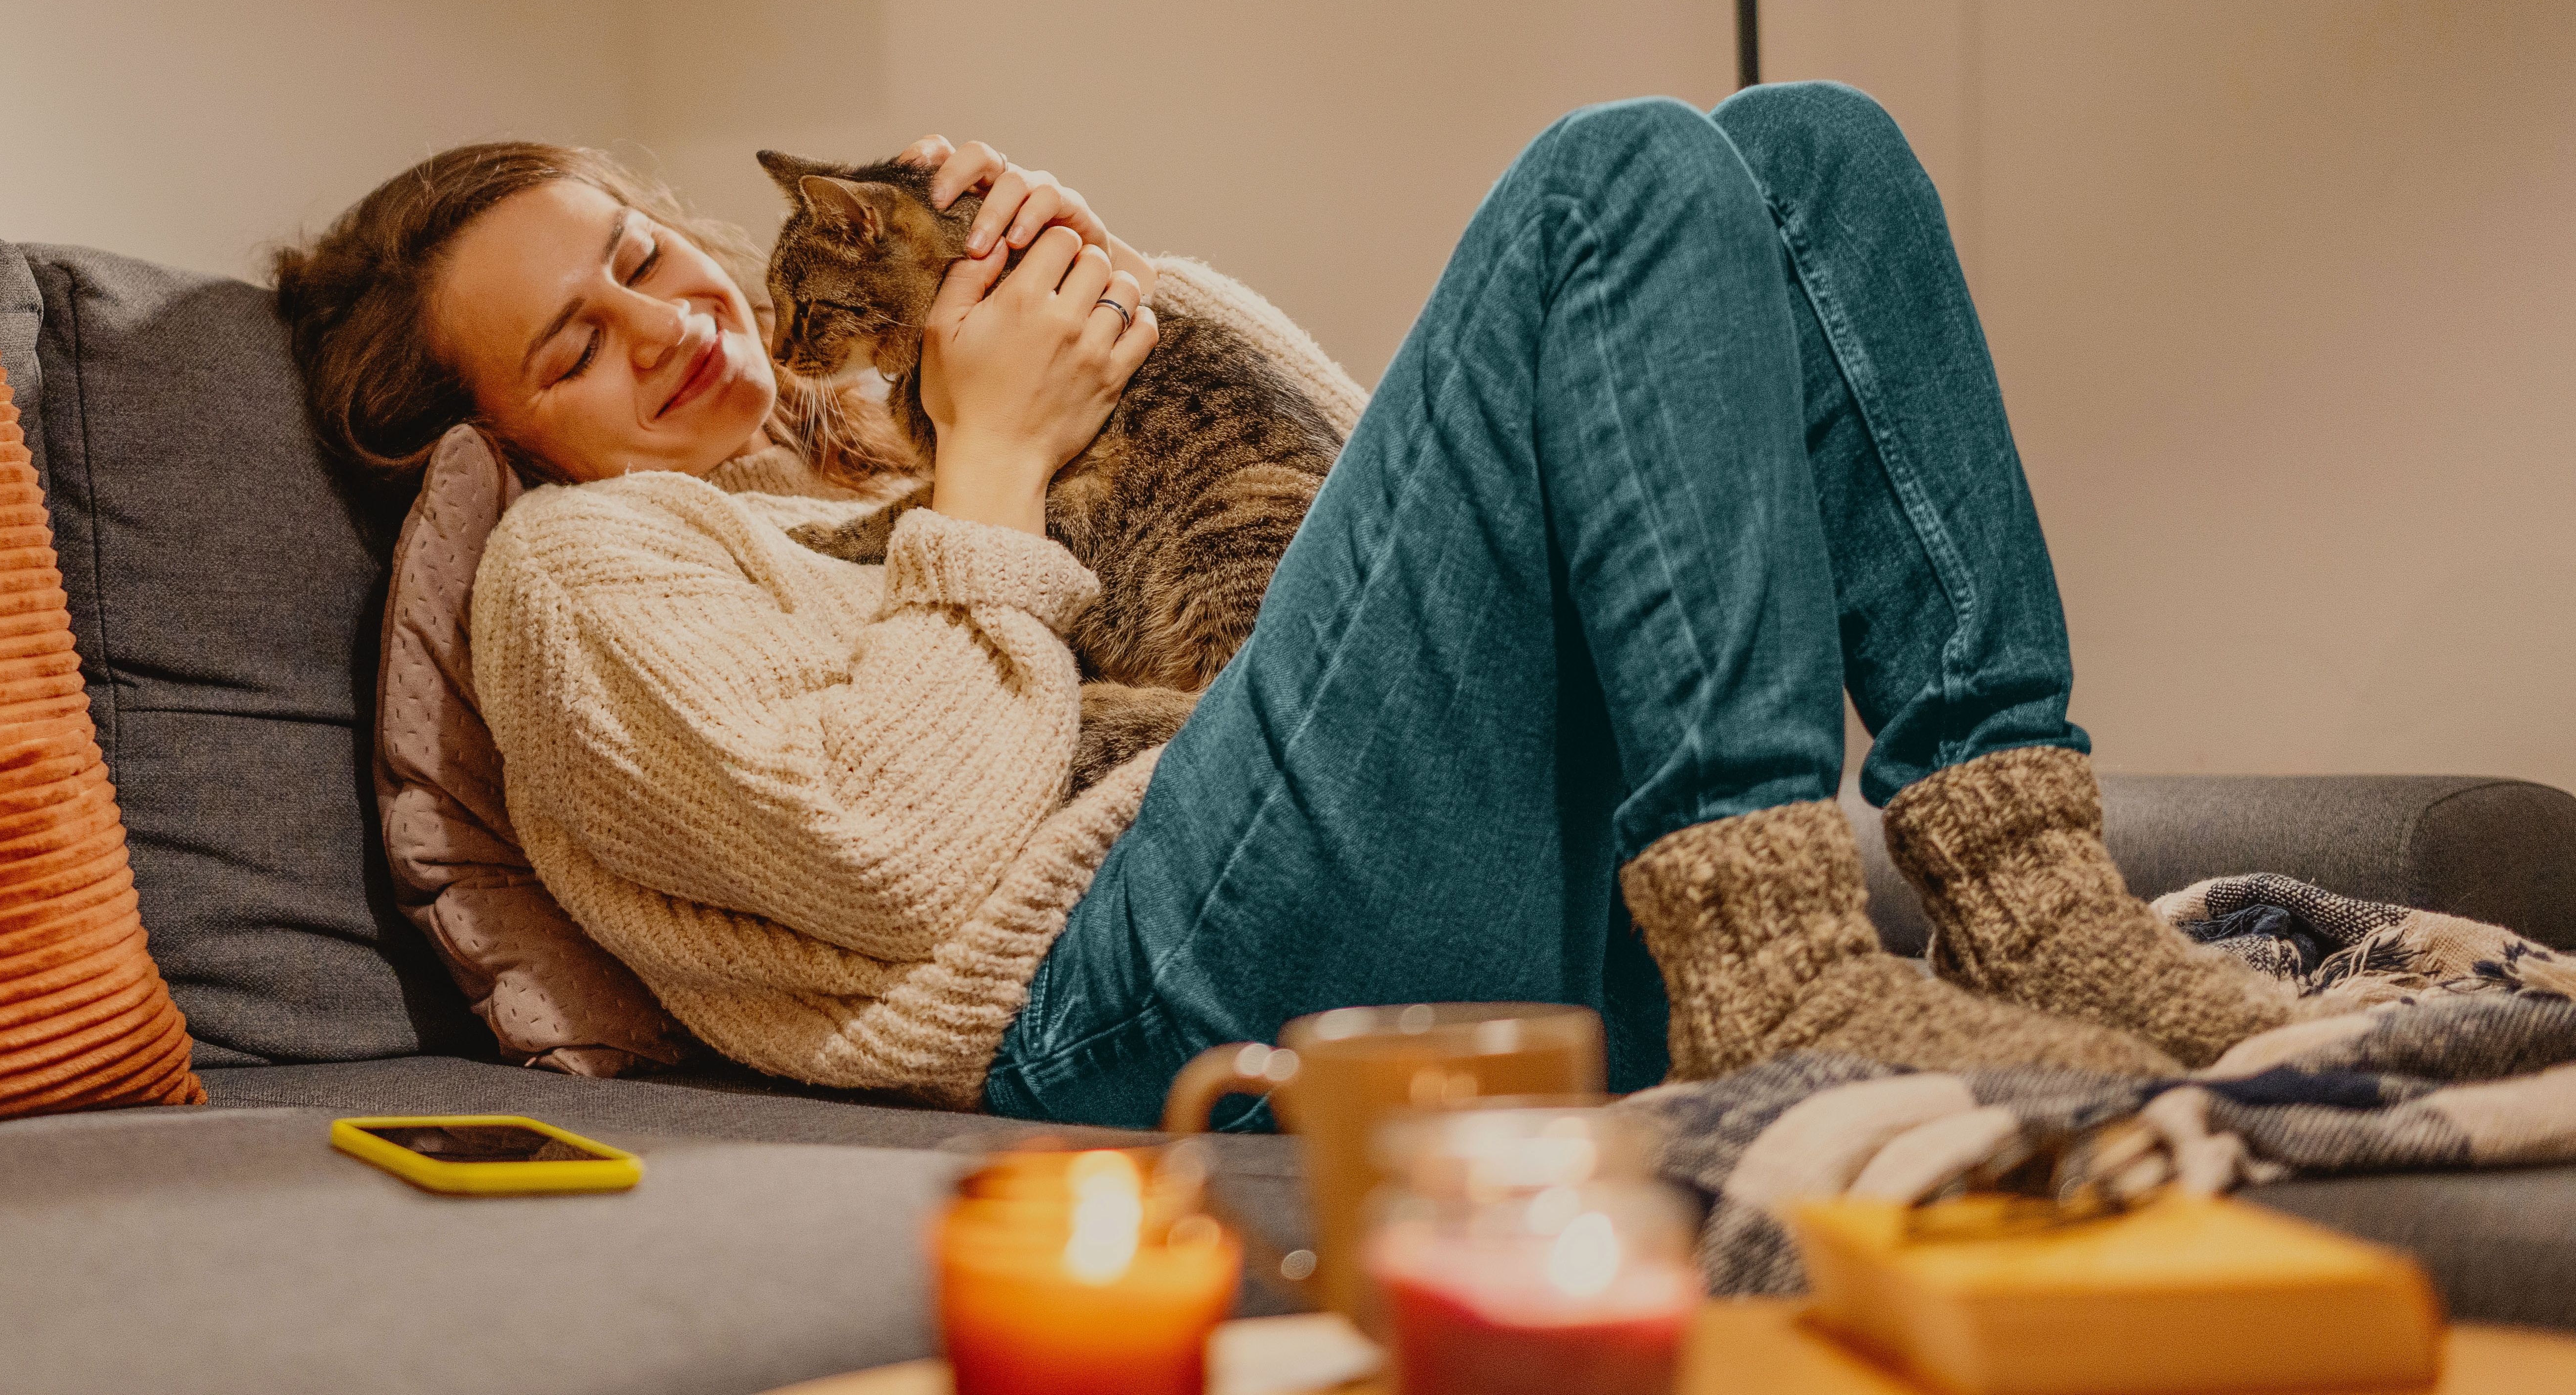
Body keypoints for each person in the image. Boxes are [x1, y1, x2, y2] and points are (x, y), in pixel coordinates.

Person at [273, 85, 2297, 1123]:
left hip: (1327, 873)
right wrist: (992, 460)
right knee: (1605, 180)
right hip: (1120, 987)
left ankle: (2036, 906)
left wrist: (1106, 297)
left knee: (1804, 150)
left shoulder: (848, 453)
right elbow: (892, 853)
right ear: (497, 436)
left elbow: (1354, 515)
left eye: (641, 249)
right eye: (571, 341)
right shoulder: (579, 572)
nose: (667, 315)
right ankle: (1773, 967)